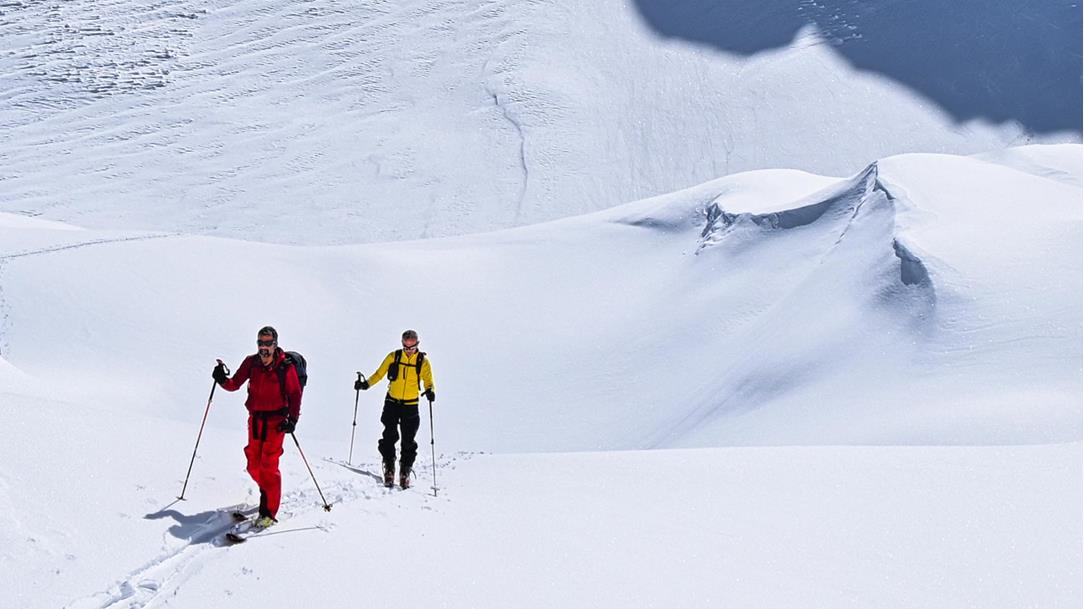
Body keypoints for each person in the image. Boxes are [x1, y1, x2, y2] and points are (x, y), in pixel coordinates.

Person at [213, 326, 302, 528]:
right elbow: (234, 383)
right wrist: (221, 379)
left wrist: (293, 420)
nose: (264, 348)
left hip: (276, 423)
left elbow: (295, 394)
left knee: (268, 466)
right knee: (253, 464)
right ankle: (267, 492)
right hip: (255, 421)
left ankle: (268, 512)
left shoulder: (285, 367)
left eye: (268, 343)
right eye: (260, 343)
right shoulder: (251, 362)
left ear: (275, 344)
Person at [355, 329, 435, 489]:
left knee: (408, 439)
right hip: (392, 401)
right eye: (406, 346)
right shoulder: (394, 356)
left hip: (411, 404)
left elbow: (428, 380)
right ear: (402, 344)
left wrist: (430, 390)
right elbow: (379, 373)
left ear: (417, 344)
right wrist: (366, 385)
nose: (409, 350)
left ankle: (405, 470)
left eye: (412, 347)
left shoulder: (422, 361)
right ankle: (389, 467)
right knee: (389, 435)